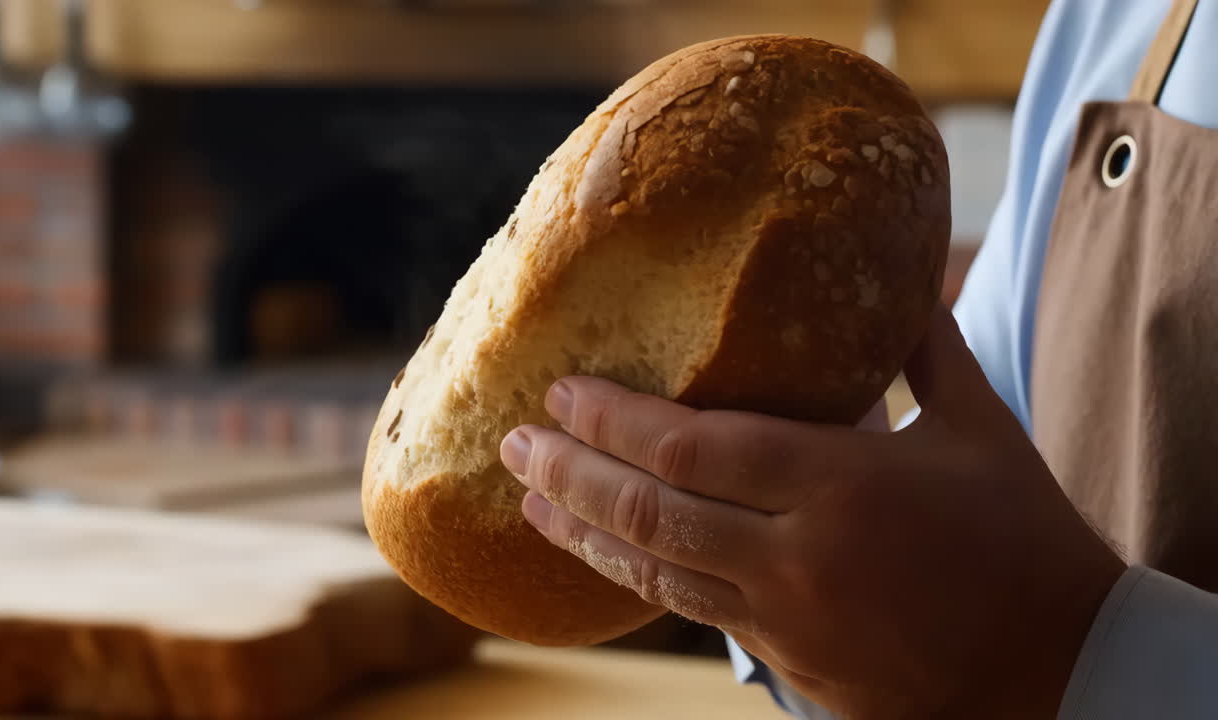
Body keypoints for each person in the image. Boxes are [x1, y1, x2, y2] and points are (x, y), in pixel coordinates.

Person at [497, 0, 1218, 716]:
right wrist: (801, 569)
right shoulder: (1111, 15)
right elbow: (938, 564)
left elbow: (993, 621)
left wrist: (1069, 652)